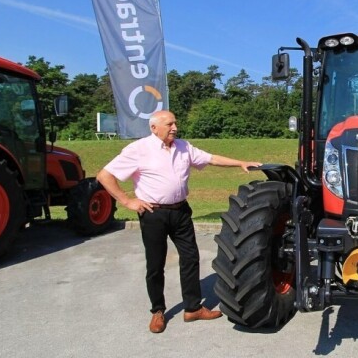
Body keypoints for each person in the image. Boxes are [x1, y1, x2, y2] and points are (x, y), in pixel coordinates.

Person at [96, 110, 262, 334]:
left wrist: (240, 162)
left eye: (175, 123)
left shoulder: (183, 146)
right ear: (154, 128)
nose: (175, 127)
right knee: (156, 263)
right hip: (153, 213)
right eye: (169, 124)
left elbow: (211, 158)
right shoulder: (138, 149)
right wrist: (127, 201)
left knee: (191, 258)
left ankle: (192, 308)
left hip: (181, 211)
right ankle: (157, 311)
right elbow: (104, 175)